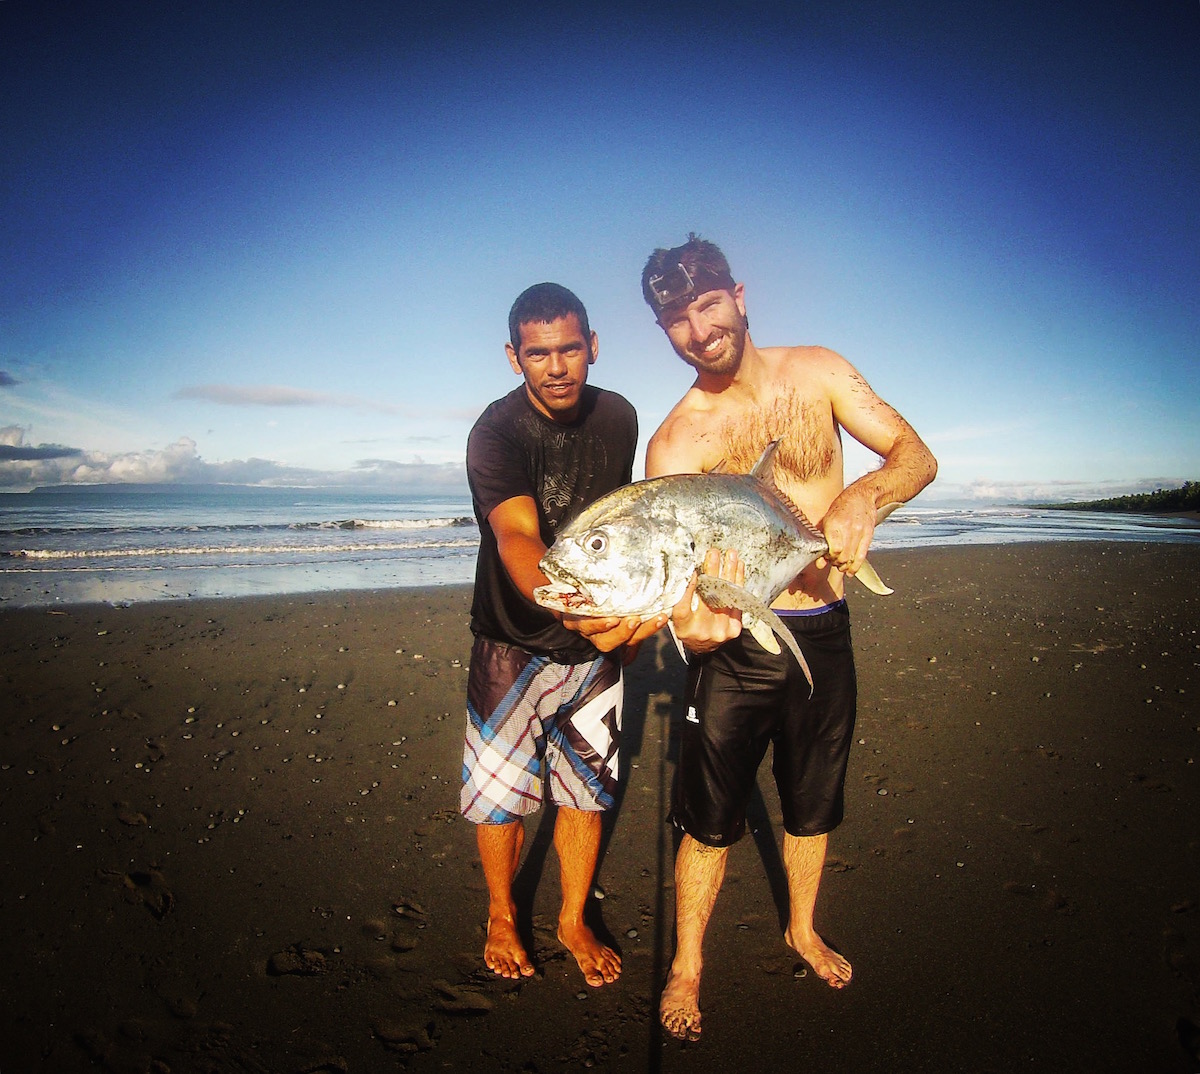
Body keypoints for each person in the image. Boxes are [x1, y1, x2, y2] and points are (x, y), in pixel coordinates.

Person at [641, 235, 937, 1040]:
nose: (698, 330)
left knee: (812, 805)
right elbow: (680, 575)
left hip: (824, 632)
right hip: (736, 652)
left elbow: (916, 455)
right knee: (708, 818)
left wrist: (866, 498)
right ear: (663, 330)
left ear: (739, 293)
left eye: (706, 304)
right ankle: (687, 966)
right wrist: (692, 631)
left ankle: (801, 928)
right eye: (676, 318)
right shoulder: (674, 444)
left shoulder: (819, 372)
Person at [461, 282, 665, 988]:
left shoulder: (620, 416)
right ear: (514, 356)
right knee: (500, 795)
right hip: (510, 642)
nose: (556, 367)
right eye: (539, 353)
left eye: (570, 349)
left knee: (586, 791)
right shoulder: (495, 433)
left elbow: (627, 524)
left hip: (594, 653)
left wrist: (632, 624)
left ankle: (573, 917)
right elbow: (517, 536)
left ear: (593, 347)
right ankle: (500, 913)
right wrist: (572, 611)